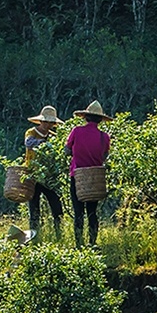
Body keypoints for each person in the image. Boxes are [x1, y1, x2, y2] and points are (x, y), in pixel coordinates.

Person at [66, 100, 112, 247]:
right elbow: (105, 156)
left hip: (77, 176)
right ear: (100, 120)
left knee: (78, 212)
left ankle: (78, 244)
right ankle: (92, 243)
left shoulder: (76, 131)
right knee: (92, 212)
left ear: (86, 117)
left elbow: (67, 151)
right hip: (95, 178)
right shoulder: (104, 137)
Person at [22, 105, 66, 238]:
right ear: (41, 121)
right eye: (46, 121)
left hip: (49, 175)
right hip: (33, 174)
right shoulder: (31, 133)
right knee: (34, 208)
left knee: (56, 206)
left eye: (51, 122)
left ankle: (59, 234)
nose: (48, 125)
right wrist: (45, 143)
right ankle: (34, 236)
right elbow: (29, 144)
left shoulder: (54, 136)